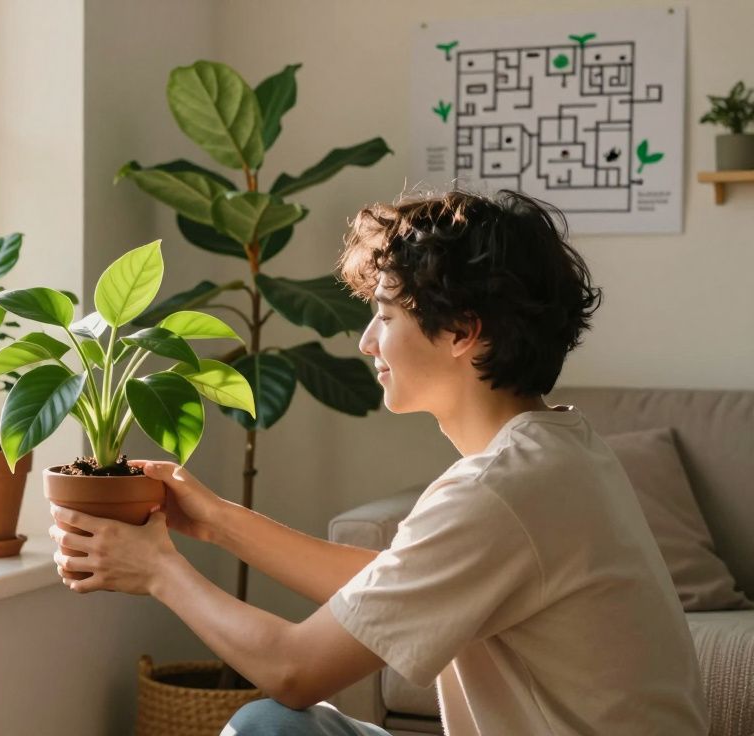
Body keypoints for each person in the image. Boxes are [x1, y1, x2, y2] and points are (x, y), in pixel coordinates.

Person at [48, 190, 709, 735]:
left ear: (463, 331)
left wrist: (159, 571)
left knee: (272, 727)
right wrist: (215, 521)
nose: (367, 342)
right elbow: (390, 585)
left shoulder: (503, 490)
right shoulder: (559, 451)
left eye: (385, 315)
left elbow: (295, 671)